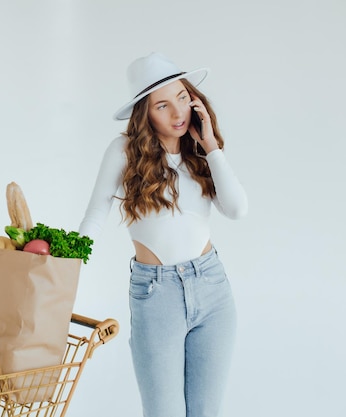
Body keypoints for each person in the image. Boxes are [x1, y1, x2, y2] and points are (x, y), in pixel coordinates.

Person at [78, 52, 248, 417]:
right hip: (157, 295)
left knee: (205, 412)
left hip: (212, 288)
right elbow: (96, 213)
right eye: (163, 105)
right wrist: (68, 263)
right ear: (145, 113)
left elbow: (237, 210)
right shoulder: (124, 152)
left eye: (183, 98)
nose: (178, 113)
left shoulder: (199, 154)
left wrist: (212, 146)